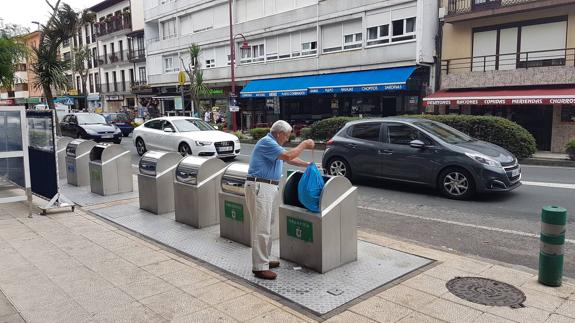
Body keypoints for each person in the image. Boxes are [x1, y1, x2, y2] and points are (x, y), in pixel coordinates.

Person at [246, 120, 314, 280]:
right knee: (261, 228)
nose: (287, 139)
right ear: (279, 133)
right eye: (287, 135)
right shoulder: (267, 142)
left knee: (267, 226)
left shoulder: (272, 144)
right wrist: (304, 144)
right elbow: (288, 155)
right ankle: (259, 267)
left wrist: (307, 165)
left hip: (267, 187)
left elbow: (288, 159)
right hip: (260, 187)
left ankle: (265, 259)